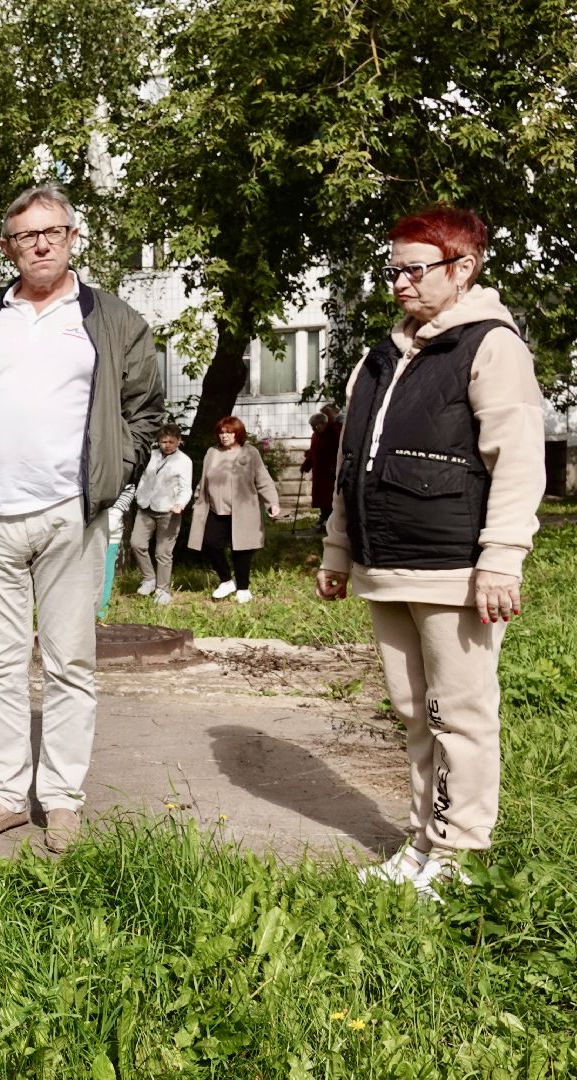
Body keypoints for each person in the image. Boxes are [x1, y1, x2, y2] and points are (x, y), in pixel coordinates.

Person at [0, 185, 162, 852]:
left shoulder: (109, 319)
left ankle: (59, 799)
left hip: (68, 516)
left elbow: (144, 408)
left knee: (68, 664)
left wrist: (114, 476)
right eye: (27, 235)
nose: (41, 243)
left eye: (52, 231)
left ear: (72, 237)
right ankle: (4, 796)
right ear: (8, 247)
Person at [319, 206, 544, 902]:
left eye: (413, 270)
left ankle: (459, 856)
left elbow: (517, 458)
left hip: (457, 568)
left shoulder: (488, 345)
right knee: (416, 713)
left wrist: (501, 557)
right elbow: (349, 460)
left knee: (461, 715)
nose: (399, 284)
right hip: (386, 565)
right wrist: (336, 547)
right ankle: (422, 842)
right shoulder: (380, 355)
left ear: (461, 268)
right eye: (391, 270)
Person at [185, 416, 280, 603]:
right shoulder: (212, 452)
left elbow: (263, 479)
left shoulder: (250, 452)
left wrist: (272, 502)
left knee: (242, 549)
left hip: (243, 510)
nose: (224, 436)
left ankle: (243, 588)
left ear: (238, 433)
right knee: (210, 543)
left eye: (228, 432)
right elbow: (204, 479)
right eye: (221, 433)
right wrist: (197, 499)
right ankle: (227, 581)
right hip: (214, 509)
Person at [129, 424, 192, 604]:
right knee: (136, 543)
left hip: (169, 510)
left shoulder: (184, 461)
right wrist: (138, 494)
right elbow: (143, 476)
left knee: (163, 552)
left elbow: (185, 488)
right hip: (146, 507)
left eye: (172, 442)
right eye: (163, 441)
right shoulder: (152, 454)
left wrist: (180, 504)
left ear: (179, 441)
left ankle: (163, 590)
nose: (167, 445)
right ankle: (149, 578)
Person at [301, 404, 342, 531]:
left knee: (329, 498)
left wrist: (335, 466)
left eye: (316, 426)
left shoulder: (334, 432)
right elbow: (313, 453)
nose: (313, 429)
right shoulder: (316, 436)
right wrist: (306, 465)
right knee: (320, 498)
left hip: (330, 473)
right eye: (312, 427)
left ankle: (329, 521)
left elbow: (340, 451)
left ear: (324, 423)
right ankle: (323, 518)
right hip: (319, 472)